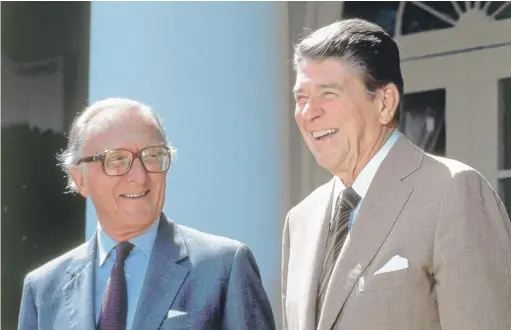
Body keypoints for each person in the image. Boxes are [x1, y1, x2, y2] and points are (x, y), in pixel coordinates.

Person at [281, 18, 511, 330]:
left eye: (329, 93)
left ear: (385, 102)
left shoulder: (453, 192)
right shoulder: (300, 221)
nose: (310, 112)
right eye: (301, 98)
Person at [18, 98, 276, 330]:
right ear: (80, 179)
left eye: (153, 157)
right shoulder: (43, 289)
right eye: (117, 159)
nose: (140, 176)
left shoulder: (223, 267)